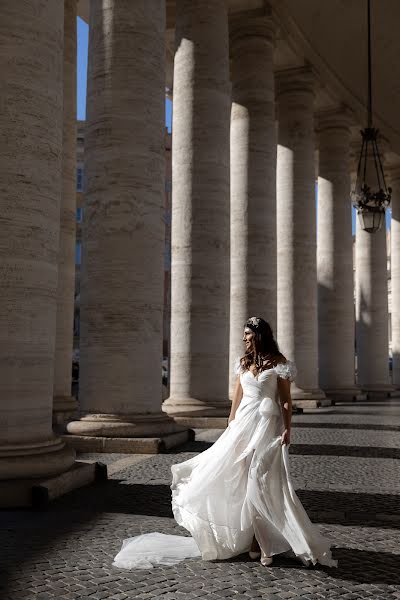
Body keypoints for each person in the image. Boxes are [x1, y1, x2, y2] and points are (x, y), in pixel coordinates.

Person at [113, 317, 337, 570]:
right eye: (243, 334)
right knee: (242, 482)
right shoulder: (242, 363)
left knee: (260, 481)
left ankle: (261, 543)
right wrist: (230, 426)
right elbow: (237, 399)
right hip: (242, 426)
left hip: (267, 427)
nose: (243, 338)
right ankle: (254, 540)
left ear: (259, 335)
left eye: (247, 334)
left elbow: (285, 401)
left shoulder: (280, 364)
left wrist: (287, 429)